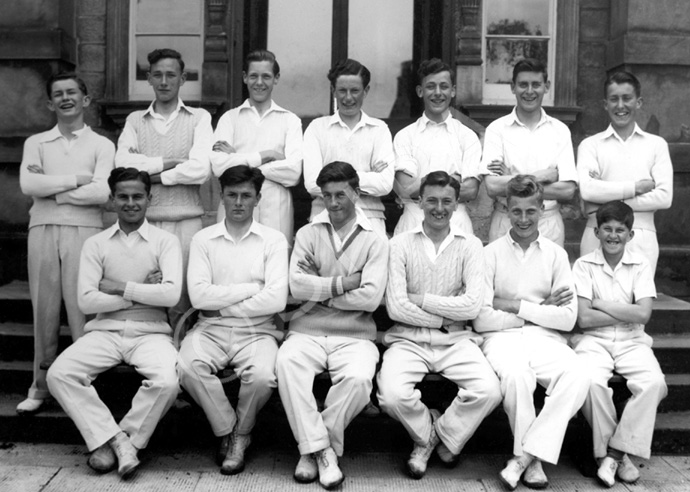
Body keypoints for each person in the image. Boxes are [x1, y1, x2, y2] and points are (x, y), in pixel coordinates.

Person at [46, 168, 182, 478]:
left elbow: (171, 294)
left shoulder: (166, 241)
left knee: (167, 381)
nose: (130, 203)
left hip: (151, 333)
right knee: (60, 374)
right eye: (123, 196)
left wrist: (119, 286)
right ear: (111, 200)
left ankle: (126, 442)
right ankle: (116, 439)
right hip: (104, 331)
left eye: (137, 196)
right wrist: (141, 292)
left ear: (150, 198)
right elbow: (86, 301)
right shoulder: (97, 244)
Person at [377, 171, 502, 479]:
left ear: (457, 204)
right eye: (431, 200)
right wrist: (445, 314)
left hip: (457, 340)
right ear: (419, 202)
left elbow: (472, 305)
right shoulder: (400, 244)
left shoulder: (471, 245)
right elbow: (395, 306)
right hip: (408, 339)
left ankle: (438, 437)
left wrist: (420, 299)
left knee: (489, 390)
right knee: (391, 396)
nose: (439, 208)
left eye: (447, 201)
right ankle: (430, 436)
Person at [276, 161, 388, 489]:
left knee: (358, 379)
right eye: (327, 195)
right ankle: (324, 451)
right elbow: (297, 287)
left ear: (356, 192)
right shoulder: (309, 232)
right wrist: (344, 284)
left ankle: (312, 447)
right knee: (286, 362)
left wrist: (320, 290)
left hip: (355, 334)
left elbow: (369, 299)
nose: (334, 202)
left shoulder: (375, 239)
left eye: (341, 194)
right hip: (306, 329)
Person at [474, 175, 589, 490]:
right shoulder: (490, 253)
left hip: (546, 338)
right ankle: (535, 459)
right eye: (516, 211)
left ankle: (525, 455)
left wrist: (514, 305)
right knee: (515, 376)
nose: (523, 219)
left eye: (530, 211)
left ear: (542, 210)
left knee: (579, 373)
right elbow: (482, 318)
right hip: (501, 339)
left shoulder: (556, 255)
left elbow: (566, 319)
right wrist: (539, 311)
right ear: (507, 210)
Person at [177, 165, 289, 475]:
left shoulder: (274, 240)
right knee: (187, 366)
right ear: (222, 197)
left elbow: (276, 300)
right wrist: (250, 290)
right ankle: (229, 430)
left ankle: (241, 434)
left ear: (258, 199)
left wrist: (223, 305)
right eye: (232, 195)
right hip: (209, 329)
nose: (239, 202)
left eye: (246, 196)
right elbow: (199, 297)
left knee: (264, 375)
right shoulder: (203, 239)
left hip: (258, 332)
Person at [17, 72, 114, 415]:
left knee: (81, 310)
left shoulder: (102, 145)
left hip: (85, 231)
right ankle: (40, 386)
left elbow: (102, 191)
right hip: (42, 228)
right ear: (49, 103)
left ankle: (83, 387)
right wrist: (75, 181)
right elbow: (29, 184)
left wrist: (53, 192)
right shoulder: (37, 143)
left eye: (72, 92)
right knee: (44, 309)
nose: (65, 98)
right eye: (58, 94)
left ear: (85, 100)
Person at [571, 200, 667, 487]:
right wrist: (623, 310)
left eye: (620, 230)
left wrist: (600, 302)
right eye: (607, 229)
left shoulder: (641, 265)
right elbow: (585, 320)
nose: (613, 236)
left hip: (632, 341)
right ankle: (616, 456)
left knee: (654, 383)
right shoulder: (583, 265)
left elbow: (643, 314)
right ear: (597, 232)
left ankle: (613, 452)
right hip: (594, 341)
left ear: (631, 234)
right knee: (589, 381)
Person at [115, 48, 212, 328]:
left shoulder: (199, 118)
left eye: (171, 75)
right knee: (146, 291)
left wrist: (151, 177)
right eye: (158, 75)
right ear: (148, 78)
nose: (164, 81)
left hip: (186, 221)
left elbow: (200, 169)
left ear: (183, 78)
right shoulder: (135, 120)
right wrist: (169, 162)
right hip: (146, 221)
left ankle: (182, 360)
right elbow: (122, 166)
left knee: (182, 295)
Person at [577, 71, 673, 273]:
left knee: (636, 301)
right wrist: (637, 188)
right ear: (605, 104)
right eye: (614, 99)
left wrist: (605, 203)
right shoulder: (590, 145)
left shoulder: (656, 145)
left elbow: (664, 197)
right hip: (597, 236)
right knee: (592, 299)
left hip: (641, 236)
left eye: (627, 98)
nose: (620, 106)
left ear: (638, 102)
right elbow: (588, 191)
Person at [482, 58, 577, 247]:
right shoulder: (497, 129)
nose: (529, 91)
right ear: (513, 87)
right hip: (506, 222)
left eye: (536, 85)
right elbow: (492, 187)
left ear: (546, 86)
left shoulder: (559, 130)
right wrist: (543, 176)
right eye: (523, 85)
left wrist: (511, 180)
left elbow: (567, 190)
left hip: (548, 224)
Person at [210, 49, 302, 244]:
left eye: (266, 76)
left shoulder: (290, 120)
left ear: (276, 78)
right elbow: (219, 167)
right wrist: (266, 155)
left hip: (275, 209)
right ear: (244, 77)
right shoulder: (230, 119)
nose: (259, 83)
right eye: (253, 76)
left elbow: (293, 172)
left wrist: (238, 160)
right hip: (234, 206)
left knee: (274, 267)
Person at [303, 59, 394, 237]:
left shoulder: (379, 129)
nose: (348, 98)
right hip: (325, 218)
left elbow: (385, 184)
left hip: (370, 218)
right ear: (333, 91)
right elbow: (312, 183)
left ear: (365, 91)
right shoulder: (317, 128)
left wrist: (331, 179)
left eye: (355, 91)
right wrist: (365, 176)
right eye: (342, 91)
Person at [392, 59, 482, 236]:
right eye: (431, 87)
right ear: (420, 91)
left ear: (453, 91)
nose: (438, 93)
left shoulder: (467, 136)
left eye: (444, 86)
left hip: (456, 223)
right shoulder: (405, 136)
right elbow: (405, 189)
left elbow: (471, 190)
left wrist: (423, 183)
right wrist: (451, 179)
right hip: (413, 223)